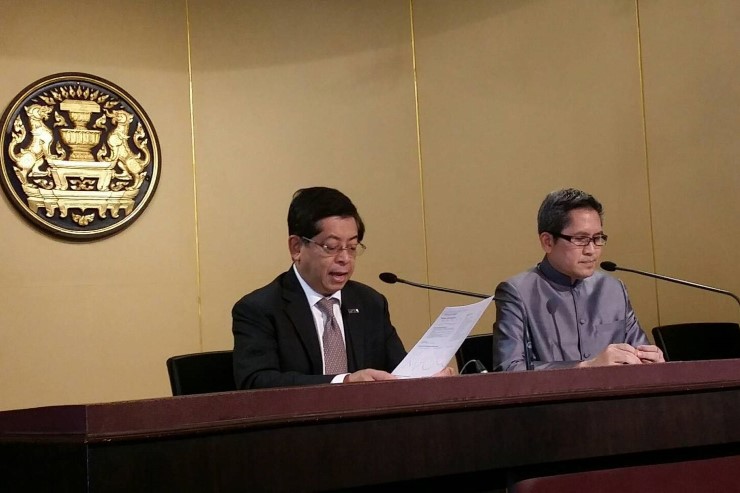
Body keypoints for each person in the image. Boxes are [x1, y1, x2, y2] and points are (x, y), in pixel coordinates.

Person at [232, 186, 453, 389]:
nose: (345, 258)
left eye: (352, 247)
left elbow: (398, 372)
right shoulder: (260, 309)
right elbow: (256, 382)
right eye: (331, 247)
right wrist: (343, 382)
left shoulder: (370, 303)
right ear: (296, 247)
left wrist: (425, 379)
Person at [492, 188, 664, 371]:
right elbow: (509, 369)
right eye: (581, 239)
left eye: (597, 238)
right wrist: (585, 367)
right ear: (547, 242)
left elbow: (639, 356)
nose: (591, 250)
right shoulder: (518, 292)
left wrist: (654, 364)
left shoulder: (613, 289)